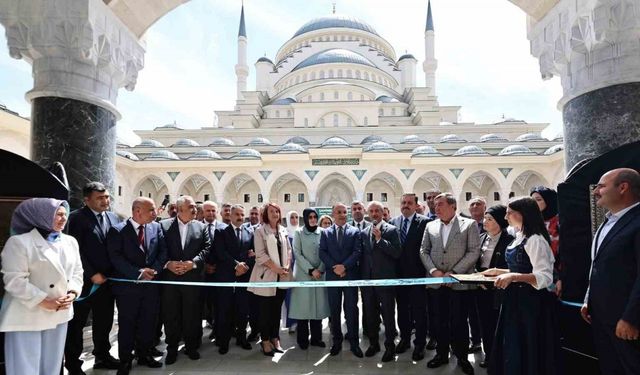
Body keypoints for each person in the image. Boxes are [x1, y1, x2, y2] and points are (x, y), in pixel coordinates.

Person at [0, 198, 83, 375]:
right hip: (27, 314)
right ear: (41, 216)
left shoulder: (70, 242)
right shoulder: (19, 242)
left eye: (65, 215)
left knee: (51, 367)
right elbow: (14, 280)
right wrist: (43, 300)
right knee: (25, 368)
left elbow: (77, 272)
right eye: (57, 214)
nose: (63, 219)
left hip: (60, 313)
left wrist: (73, 293)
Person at [483, 196, 560, 375]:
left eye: (510, 213)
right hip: (515, 301)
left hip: (531, 305)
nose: (506, 217)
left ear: (523, 214)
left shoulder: (535, 240)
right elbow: (521, 267)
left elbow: (544, 277)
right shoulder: (519, 236)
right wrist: (499, 271)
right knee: (513, 346)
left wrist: (513, 276)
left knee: (528, 347)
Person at [581, 168, 640, 375]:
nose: (596, 191)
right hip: (602, 316)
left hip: (627, 321)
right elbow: (598, 265)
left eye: (602, 186)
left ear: (623, 187)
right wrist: (590, 299)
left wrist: (632, 318)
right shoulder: (608, 221)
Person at [420, 193, 480, 375]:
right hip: (436, 283)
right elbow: (424, 251)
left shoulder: (469, 225)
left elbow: (473, 251)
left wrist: (453, 273)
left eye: (440, 204)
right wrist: (434, 272)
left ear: (453, 206)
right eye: (435, 205)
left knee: (459, 322)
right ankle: (441, 354)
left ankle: (462, 357)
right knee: (439, 322)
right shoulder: (430, 226)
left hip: (459, 284)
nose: (436, 208)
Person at [64, 182, 121, 374]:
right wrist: (91, 273)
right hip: (84, 283)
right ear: (86, 199)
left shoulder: (113, 217)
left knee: (104, 322)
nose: (105, 201)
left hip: (107, 282)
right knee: (76, 325)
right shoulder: (76, 219)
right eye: (100, 198)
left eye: (107, 197)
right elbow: (75, 250)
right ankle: (73, 364)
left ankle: (102, 356)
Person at [106, 197, 168, 375]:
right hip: (128, 289)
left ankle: (145, 354)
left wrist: (153, 270)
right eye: (152, 210)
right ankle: (125, 360)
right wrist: (138, 273)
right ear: (138, 210)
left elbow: (163, 252)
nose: (155, 213)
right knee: (127, 324)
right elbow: (116, 257)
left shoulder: (157, 227)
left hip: (151, 286)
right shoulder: (117, 231)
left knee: (148, 322)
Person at [160, 195, 211, 364]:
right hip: (170, 281)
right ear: (180, 209)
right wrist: (168, 264)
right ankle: (172, 349)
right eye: (191, 207)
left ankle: (191, 347)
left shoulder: (201, 227)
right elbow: (159, 248)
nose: (196, 210)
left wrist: (193, 263)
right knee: (171, 315)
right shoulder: (163, 225)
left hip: (192, 279)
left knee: (192, 315)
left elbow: (206, 248)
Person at [319, 203, 364, 358]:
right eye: (339, 212)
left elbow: (357, 252)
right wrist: (335, 267)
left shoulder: (355, 231)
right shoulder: (325, 233)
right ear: (333, 214)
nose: (343, 214)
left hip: (350, 276)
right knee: (335, 310)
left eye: (345, 212)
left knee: (351, 310)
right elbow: (322, 253)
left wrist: (344, 267)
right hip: (332, 277)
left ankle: (354, 342)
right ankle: (336, 341)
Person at [209, 204, 255, 354]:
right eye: (237, 214)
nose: (240, 217)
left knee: (243, 310)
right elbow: (221, 253)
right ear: (231, 215)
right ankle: (223, 341)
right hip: (226, 276)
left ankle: (242, 338)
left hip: (244, 277)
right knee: (224, 311)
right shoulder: (221, 231)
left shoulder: (250, 231)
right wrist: (236, 266)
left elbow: (252, 254)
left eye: (242, 215)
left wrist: (245, 266)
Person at [247, 203, 292, 356]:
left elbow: (289, 249)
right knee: (265, 312)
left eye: (277, 211)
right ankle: (265, 341)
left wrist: (286, 265)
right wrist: (276, 268)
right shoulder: (260, 231)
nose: (275, 213)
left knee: (276, 311)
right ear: (266, 214)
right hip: (266, 277)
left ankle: (275, 338)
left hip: (282, 277)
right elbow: (260, 255)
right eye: (272, 211)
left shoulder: (283, 230)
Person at [390, 193, 430, 361]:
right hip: (399, 276)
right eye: (403, 202)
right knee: (402, 310)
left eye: (409, 203)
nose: (406, 205)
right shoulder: (393, 223)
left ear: (415, 205)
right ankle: (405, 339)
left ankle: (419, 344)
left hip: (418, 276)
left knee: (420, 311)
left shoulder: (425, 223)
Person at [360, 201, 402, 362]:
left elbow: (397, 253)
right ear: (368, 213)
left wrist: (380, 240)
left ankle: (390, 346)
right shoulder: (363, 232)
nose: (375, 214)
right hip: (368, 283)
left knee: (388, 315)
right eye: (371, 211)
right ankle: (373, 344)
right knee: (370, 315)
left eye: (377, 210)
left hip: (385, 281)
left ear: (383, 212)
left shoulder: (391, 230)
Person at [474, 205, 513, 368]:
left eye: (490, 219)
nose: (485, 221)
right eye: (485, 218)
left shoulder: (508, 240)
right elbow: (476, 261)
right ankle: (489, 355)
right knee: (484, 324)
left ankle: (501, 356)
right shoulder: (481, 237)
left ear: (499, 222)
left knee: (499, 324)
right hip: (480, 287)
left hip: (499, 288)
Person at [289, 208, 330, 349]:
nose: (313, 219)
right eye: (310, 217)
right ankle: (302, 340)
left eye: (315, 216)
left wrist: (320, 269)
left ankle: (316, 339)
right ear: (305, 218)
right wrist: (311, 270)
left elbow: (326, 252)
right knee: (303, 308)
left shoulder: (323, 232)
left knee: (317, 308)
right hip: (303, 275)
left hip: (320, 274)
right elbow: (297, 254)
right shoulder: (299, 233)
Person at [201, 201, 227, 341]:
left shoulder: (224, 228)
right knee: (204, 303)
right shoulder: (197, 227)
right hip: (202, 273)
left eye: (213, 211)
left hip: (220, 272)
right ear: (203, 212)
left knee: (219, 304)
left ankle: (218, 331)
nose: (211, 213)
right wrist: (204, 266)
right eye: (208, 211)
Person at [530, 186, 562, 295]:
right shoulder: (531, 224)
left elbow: (565, 253)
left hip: (556, 277)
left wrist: (561, 278)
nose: (534, 203)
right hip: (534, 278)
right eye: (532, 200)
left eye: (538, 200)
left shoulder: (560, 222)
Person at [467, 197, 486, 354]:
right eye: (471, 204)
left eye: (478, 204)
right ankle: (476, 341)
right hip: (469, 274)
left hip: (487, 275)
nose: (474, 206)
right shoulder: (465, 226)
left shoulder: (491, 223)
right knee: (472, 310)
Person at [283, 211, 300, 332]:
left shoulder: (302, 232)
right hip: (288, 270)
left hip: (301, 270)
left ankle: (301, 322)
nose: (294, 220)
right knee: (290, 297)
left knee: (301, 297)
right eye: (292, 217)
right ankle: (292, 323)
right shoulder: (284, 233)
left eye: (296, 217)